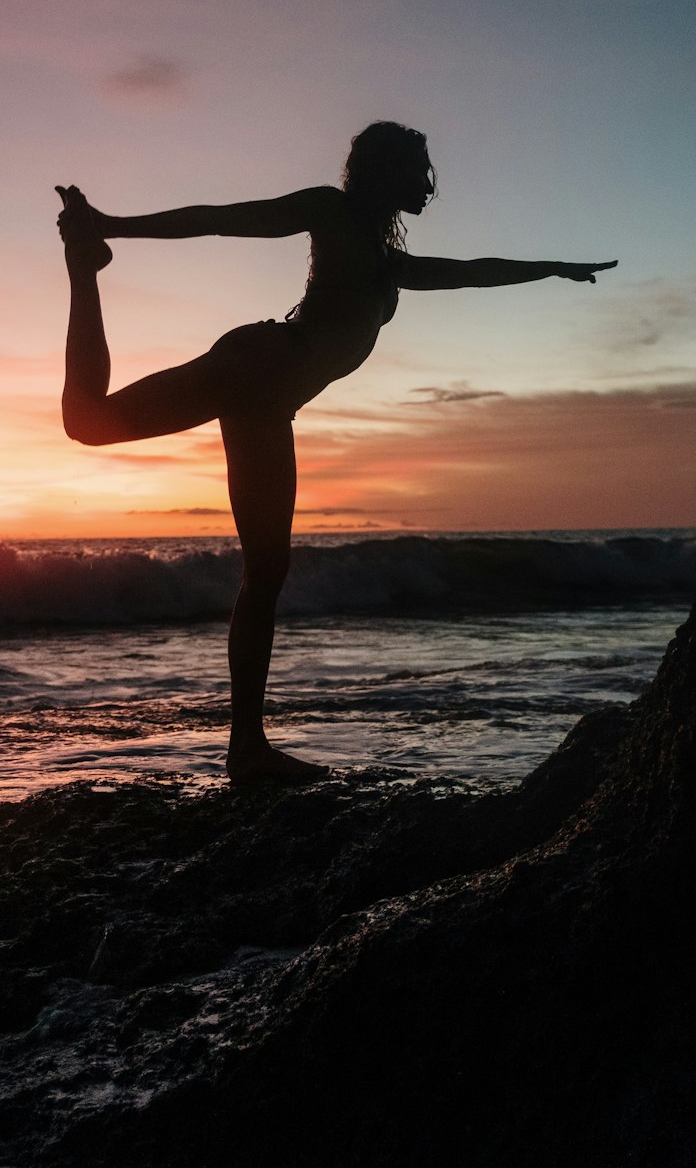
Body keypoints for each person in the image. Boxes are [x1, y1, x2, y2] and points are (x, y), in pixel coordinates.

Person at [55, 120, 616, 786]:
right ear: (381, 170)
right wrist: (113, 224)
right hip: (259, 365)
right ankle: (85, 265)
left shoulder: (387, 262)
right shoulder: (331, 211)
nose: (429, 184)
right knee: (92, 426)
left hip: (269, 399)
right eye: (417, 169)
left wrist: (550, 268)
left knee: (264, 568)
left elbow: (470, 272)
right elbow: (224, 219)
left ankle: (247, 749)